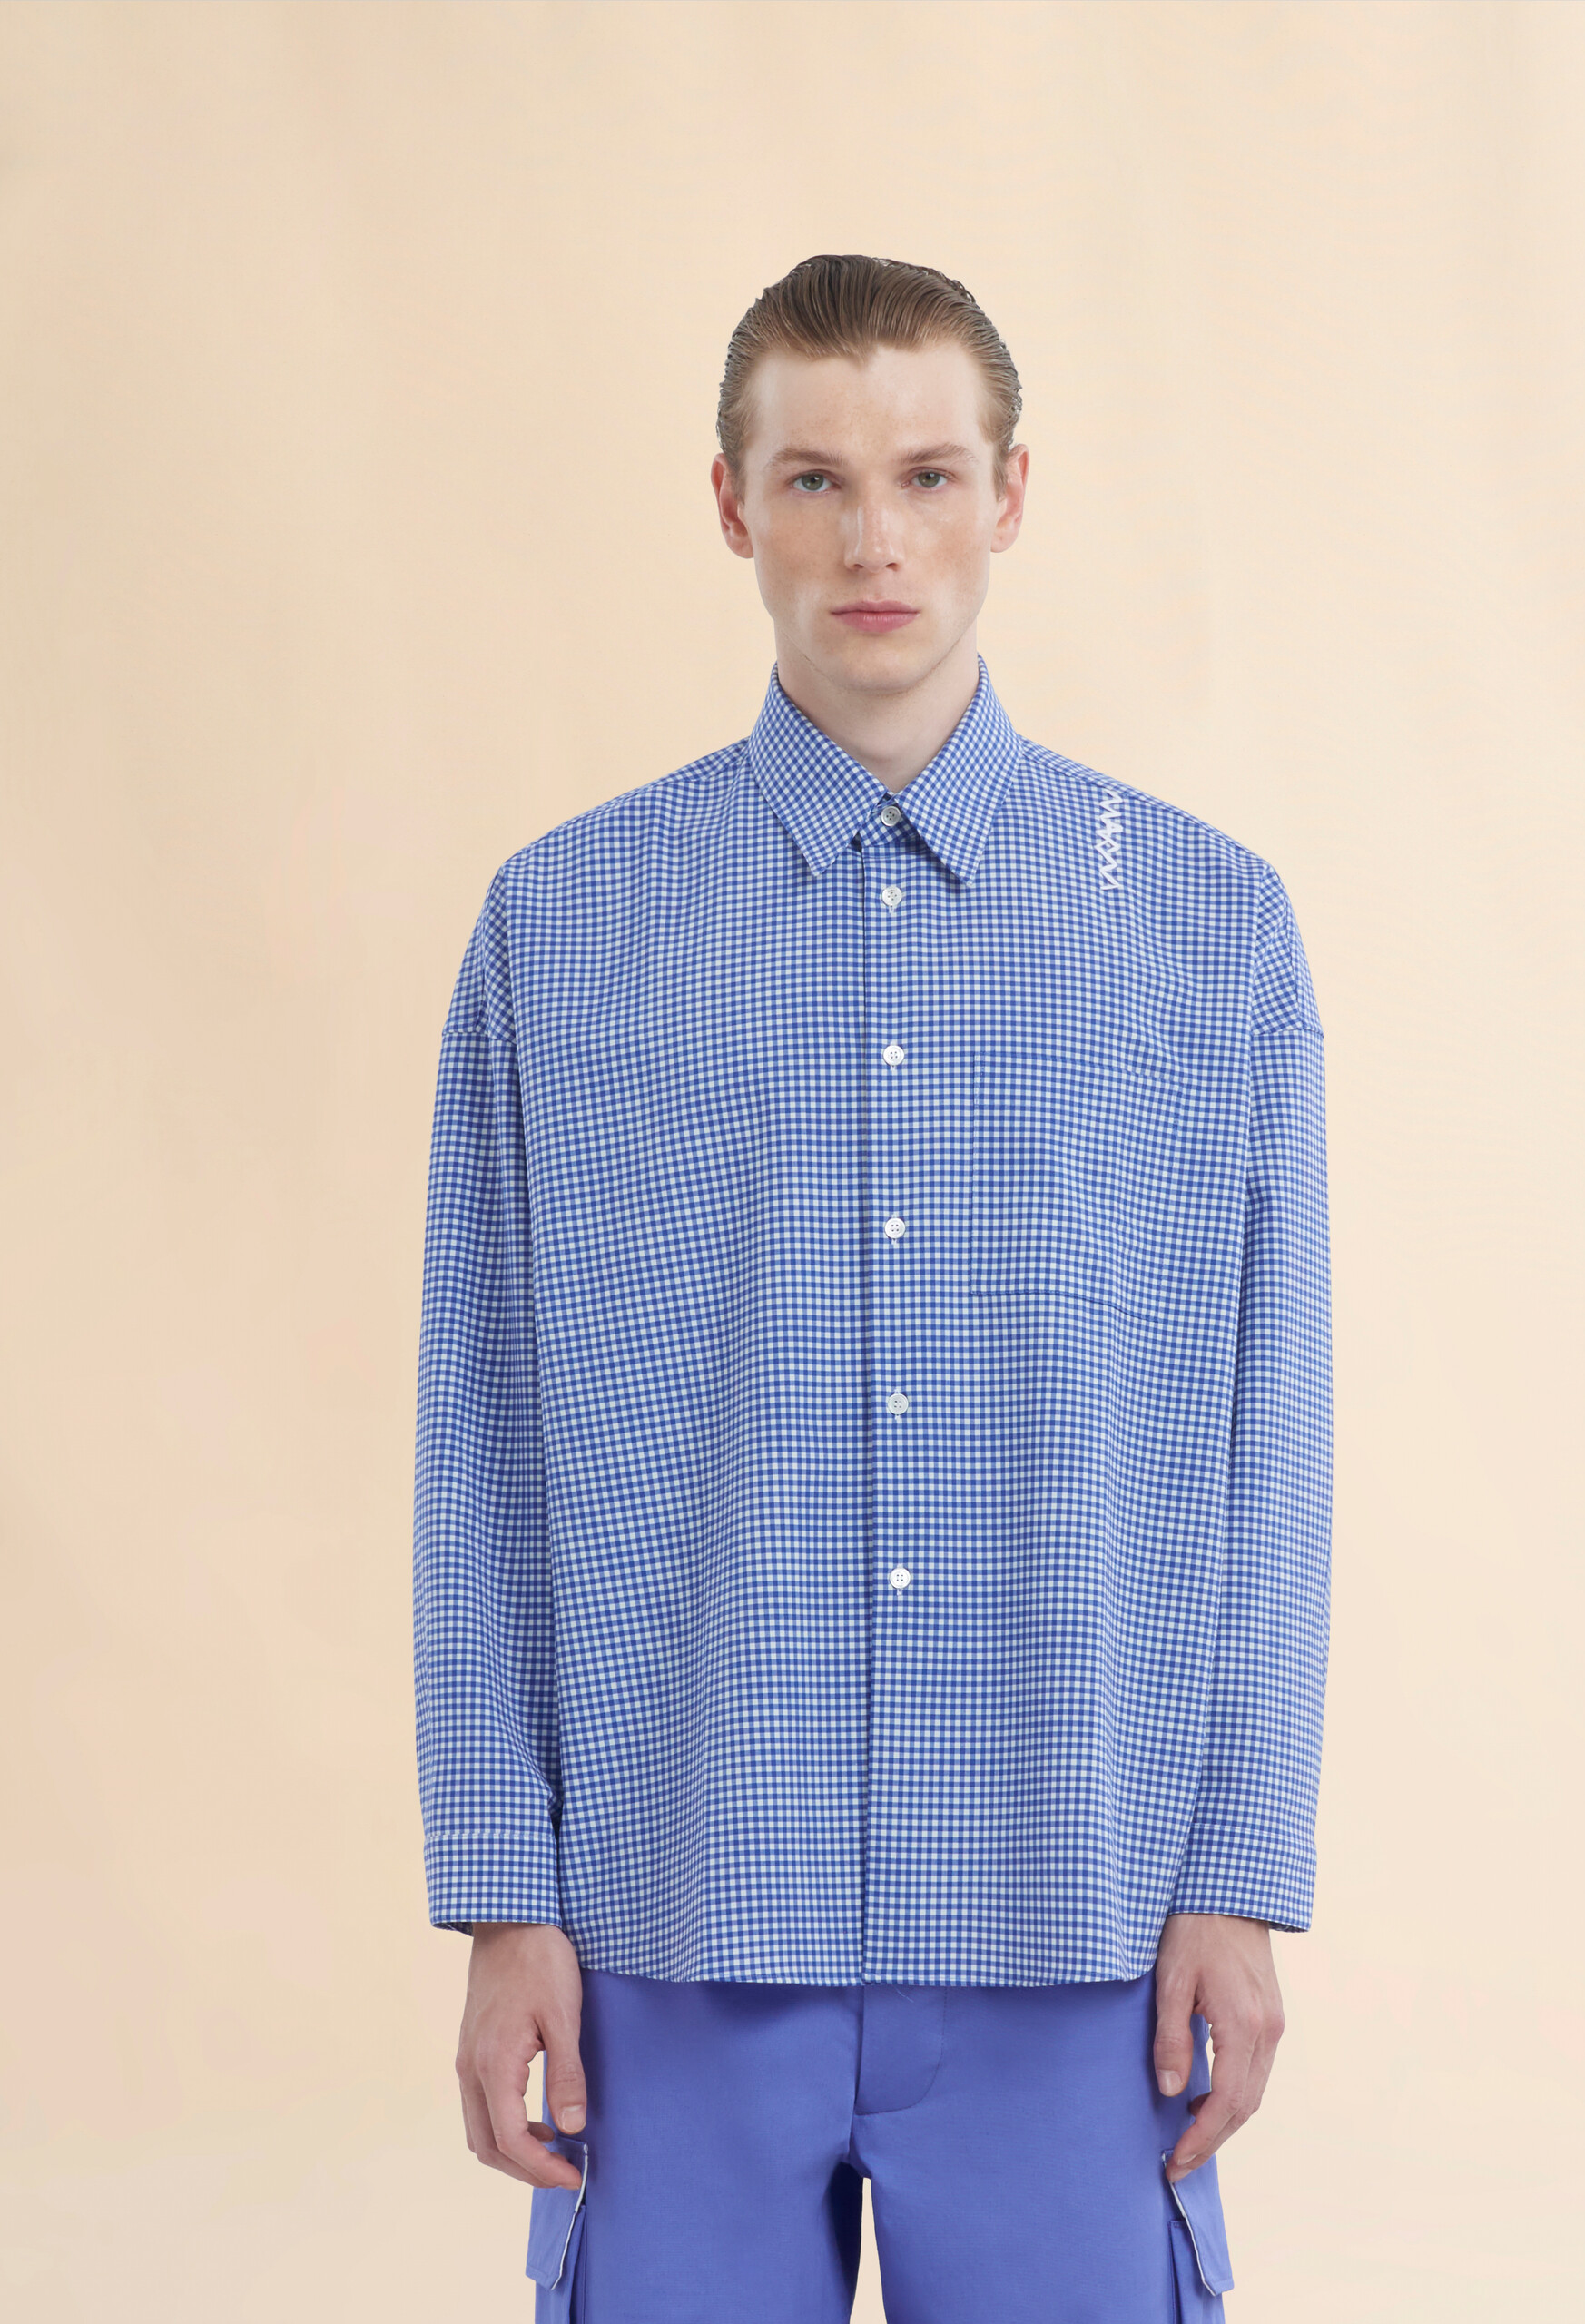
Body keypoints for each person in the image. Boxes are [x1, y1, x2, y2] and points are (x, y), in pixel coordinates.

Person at [413, 252, 1332, 2324]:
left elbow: (1268, 1437)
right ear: (731, 506)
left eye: (925, 475)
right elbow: (482, 1431)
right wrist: (500, 1898)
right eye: (814, 480)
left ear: (1012, 494)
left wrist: (1239, 1871)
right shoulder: (564, 927)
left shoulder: (1206, 930)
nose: (875, 540)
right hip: (669, 1929)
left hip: (1076, 1924)